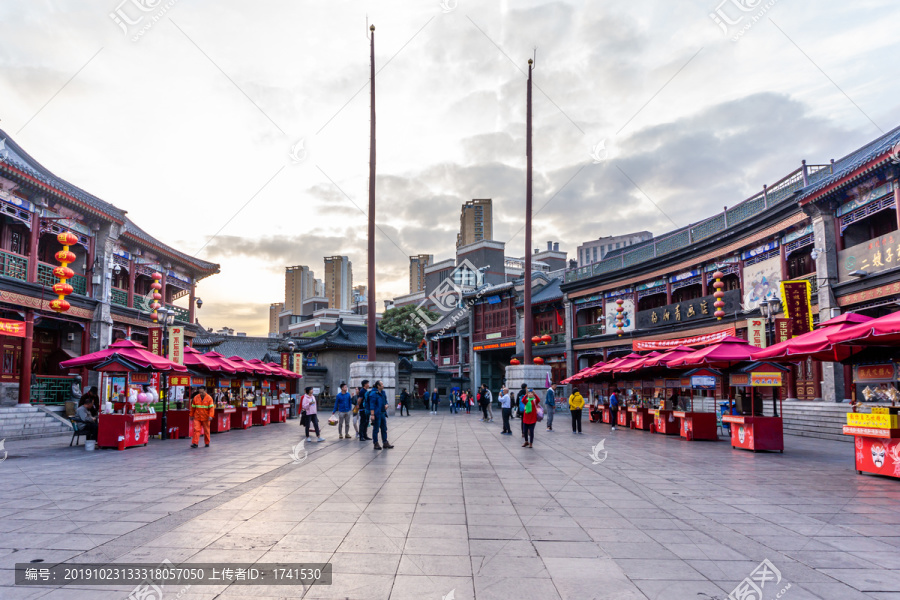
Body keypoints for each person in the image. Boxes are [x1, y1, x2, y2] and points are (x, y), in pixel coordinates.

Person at [367, 380, 393, 450]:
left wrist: (386, 405)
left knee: (384, 428)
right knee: (376, 429)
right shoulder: (373, 394)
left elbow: (385, 400)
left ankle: (385, 442)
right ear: (378, 386)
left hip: (382, 413)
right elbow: (372, 405)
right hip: (376, 414)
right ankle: (375, 443)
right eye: (381, 384)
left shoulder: (383, 392)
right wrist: (372, 415)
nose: (383, 385)